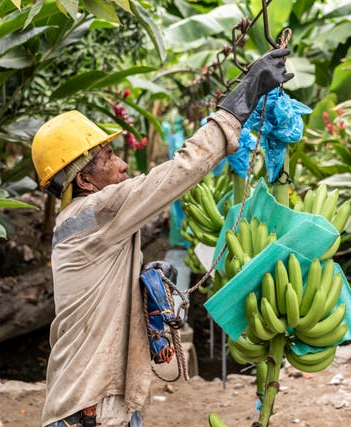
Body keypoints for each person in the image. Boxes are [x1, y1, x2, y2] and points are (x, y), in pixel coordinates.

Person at [31, 48, 293, 427]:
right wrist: (245, 95)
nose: (122, 164)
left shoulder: (84, 223)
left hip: (100, 407)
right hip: (92, 413)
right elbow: (182, 170)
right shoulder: (96, 212)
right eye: (108, 158)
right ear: (84, 181)